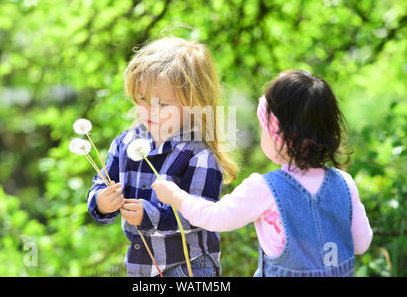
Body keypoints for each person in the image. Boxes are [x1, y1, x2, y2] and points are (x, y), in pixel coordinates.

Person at [152, 70, 373, 277]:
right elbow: (361, 243)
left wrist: (175, 197)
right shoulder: (344, 183)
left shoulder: (265, 188)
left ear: (279, 136)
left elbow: (215, 216)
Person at [87, 37, 237, 277]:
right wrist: (103, 202)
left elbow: (201, 214)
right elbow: (100, 184)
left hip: (187, 267)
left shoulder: (199, 154)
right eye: (142, 99)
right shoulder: (125, 144)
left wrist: (152, 215)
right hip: (142, 267)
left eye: (163, 104)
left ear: (194, 103)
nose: (149, 110)